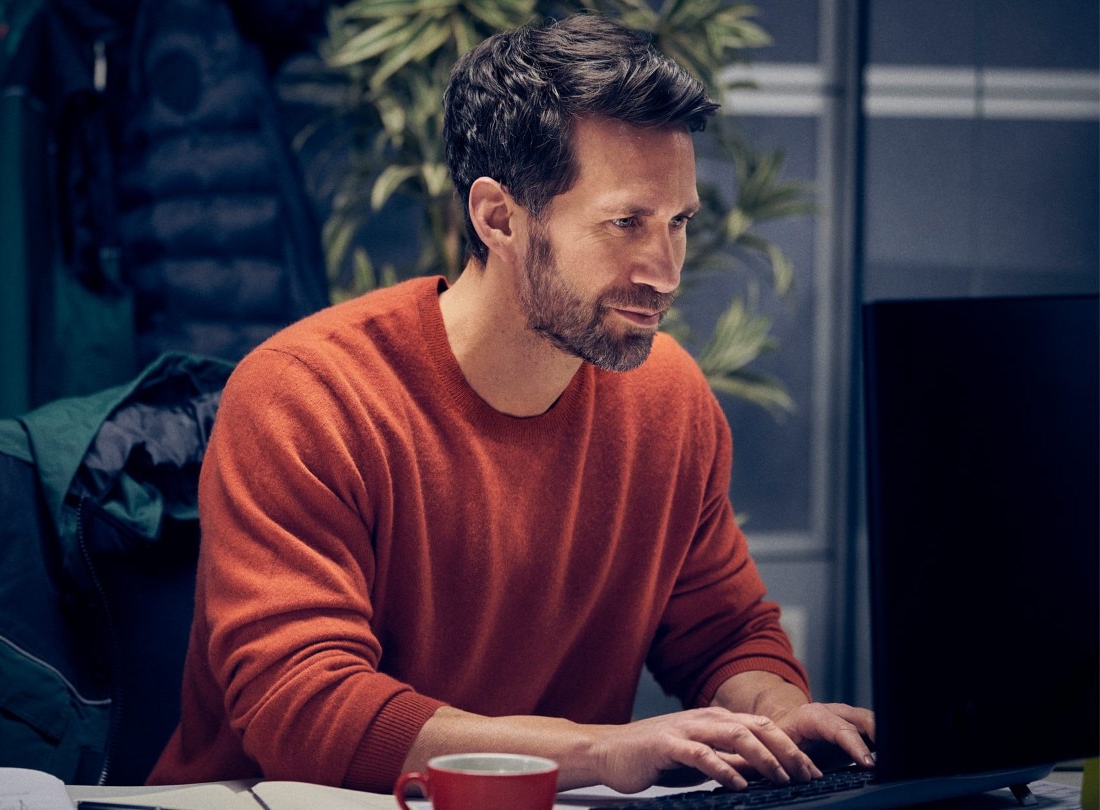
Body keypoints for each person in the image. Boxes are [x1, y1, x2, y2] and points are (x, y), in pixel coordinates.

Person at [146, 12, 875, 795]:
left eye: (679, 223)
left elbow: (727, 636)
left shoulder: (669, 398)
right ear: (499, 217)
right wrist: (600, 752)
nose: (665, 271)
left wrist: (777, 712)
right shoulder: (304, 396)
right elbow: (304, 711)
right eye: (626, 222)